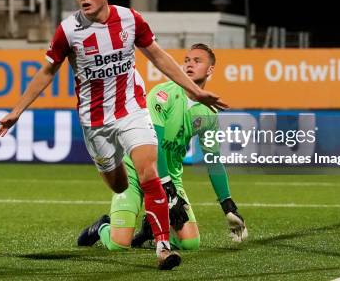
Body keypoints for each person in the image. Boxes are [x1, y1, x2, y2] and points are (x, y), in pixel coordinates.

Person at [0, 0, 228, 270]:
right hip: (95, 121)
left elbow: (157, 55)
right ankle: (104, 224)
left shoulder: (130, 19)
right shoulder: (68, 29)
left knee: (148, 171)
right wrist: (17, 110)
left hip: (130, 109)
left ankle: (162, 245)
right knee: (118, 185)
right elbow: (48, 71)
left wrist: (194, 92)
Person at [77, 44, 247, 252]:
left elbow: (213, 160)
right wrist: (169, 193)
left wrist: (228, 204)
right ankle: (102, 226)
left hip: (170, 178)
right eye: (187, 60)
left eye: (197, 61)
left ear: (210, 70)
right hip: (136, 172)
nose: (189, 64)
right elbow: (154, 145)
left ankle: (149, 233)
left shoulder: (208, 113)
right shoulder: (162, 95)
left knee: (190, 244)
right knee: (118, 244)